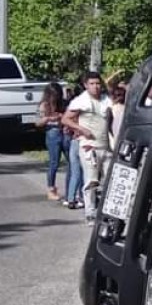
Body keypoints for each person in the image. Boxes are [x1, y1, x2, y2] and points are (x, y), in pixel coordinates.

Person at [62, 72, 112, 224]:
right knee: (91, 181)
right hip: (89, 146)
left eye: (97, 83)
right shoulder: (81, 101)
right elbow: (65, 119)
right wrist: (81, 129)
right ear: (86, 85)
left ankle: (109, 213)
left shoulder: (105, 99)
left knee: (110, 180)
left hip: (106, 146)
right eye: (92, 84)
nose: (96, 86)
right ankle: (90, 214)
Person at [35, 82, 67, 201]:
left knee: (71, 160)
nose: (56, 97)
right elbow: (37, 123)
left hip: (63, 131)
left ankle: (71, 189)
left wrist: (61, 116)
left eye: (58, 94)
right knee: (54, 162)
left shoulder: (63, 103)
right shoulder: (44, 105)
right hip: (52, 132)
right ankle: (51, 188)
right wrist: (48, 118)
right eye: (53, 94)